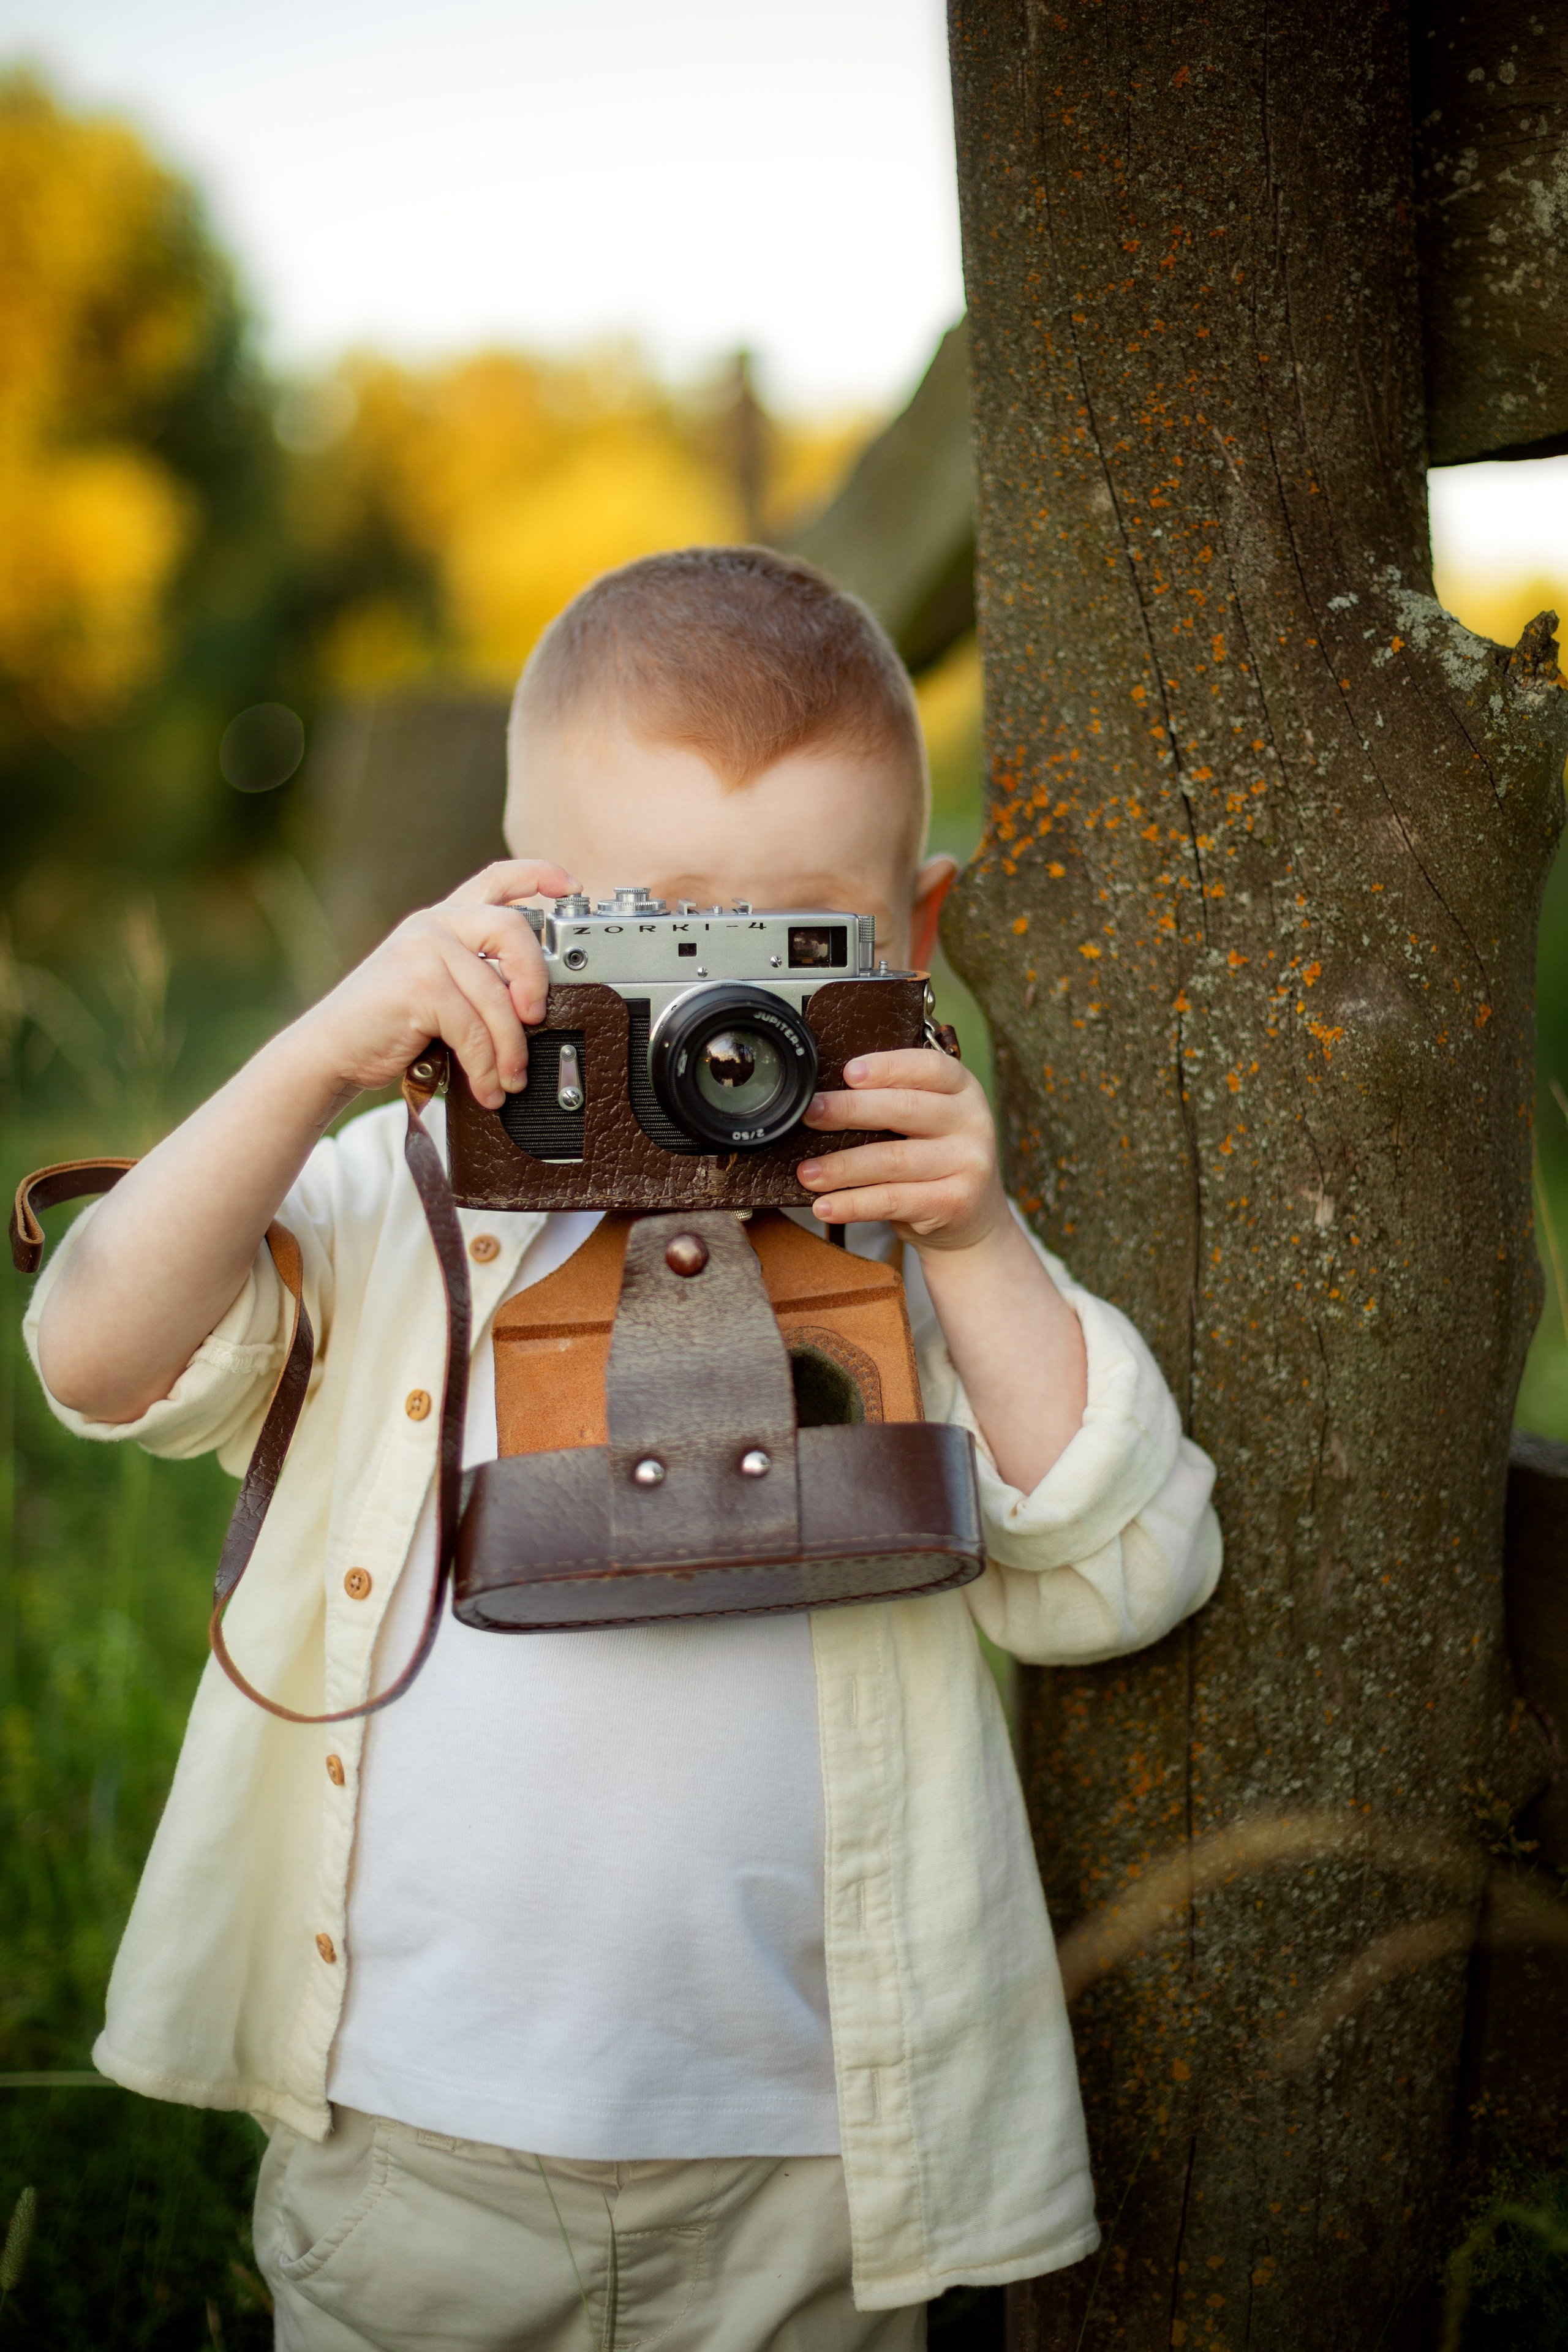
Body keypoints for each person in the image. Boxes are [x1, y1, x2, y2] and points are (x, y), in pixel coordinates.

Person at [25, 547, 1221, 2351]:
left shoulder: (916, 1243)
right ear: (510, 916)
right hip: (410, 2134)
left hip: (816, 2159)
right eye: (655, 942)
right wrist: (325, 1058)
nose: (709, 1027)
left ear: (915, 931)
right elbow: (93, 1356)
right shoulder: (396, 1206)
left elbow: (1128, 1576)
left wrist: (978, 1244)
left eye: (791, 949)